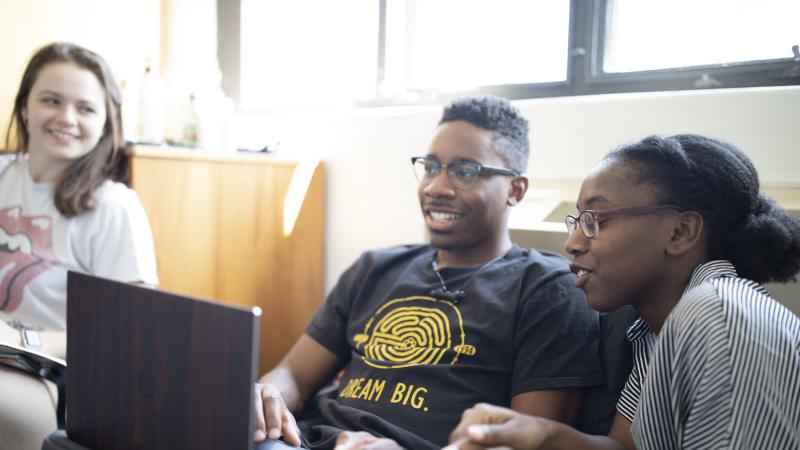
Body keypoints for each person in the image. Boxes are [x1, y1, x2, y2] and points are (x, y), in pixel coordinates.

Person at [253, 97, 607, 450]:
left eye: (465, 171)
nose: (436, 187)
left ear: (515, 190)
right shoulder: (374, 268)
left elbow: (529, 441)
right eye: (431, 167)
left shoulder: (547, 287)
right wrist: (267, 394)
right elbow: (294, 376)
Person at [445, 134, 800, 450]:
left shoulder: (717, 316)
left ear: (680, 233)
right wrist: (542, 434)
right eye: (577, 221)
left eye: (596, 220)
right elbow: (626, 445)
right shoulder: (653, 329)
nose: (572, 243)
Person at [0, 42, 158, 449]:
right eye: (51, 100)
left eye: (85, 108)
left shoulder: (115, 206)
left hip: (52, 375)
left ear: (106, 123)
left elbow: (130, 326)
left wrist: (22, 341)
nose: (66, 118)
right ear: (24, 107)